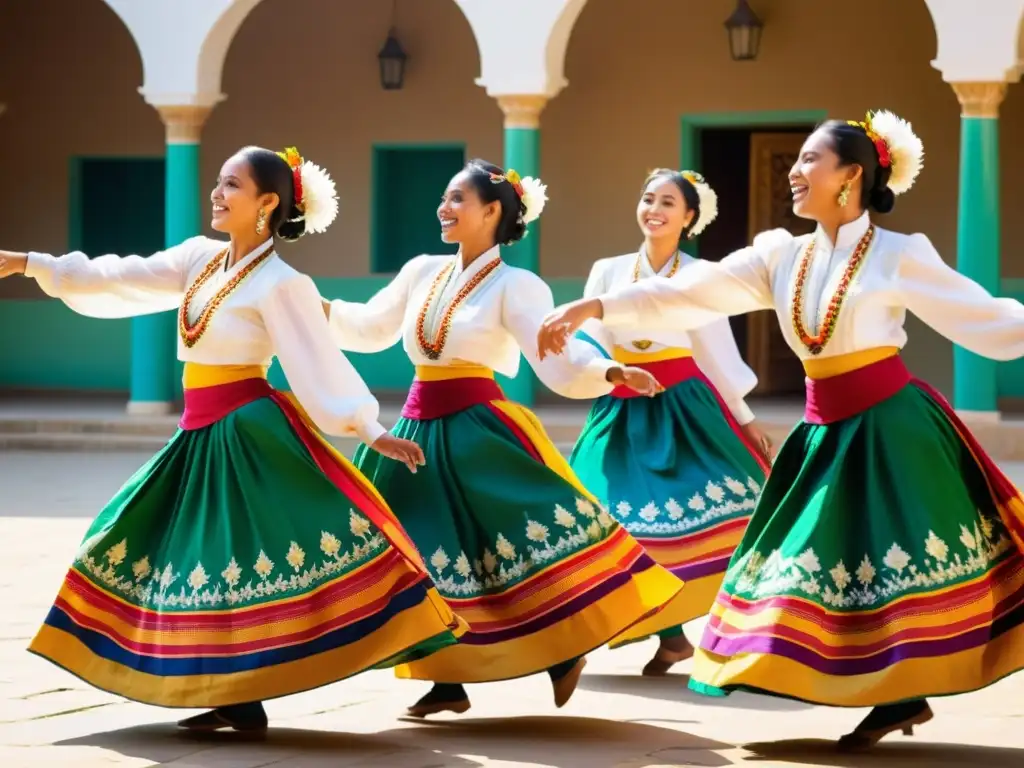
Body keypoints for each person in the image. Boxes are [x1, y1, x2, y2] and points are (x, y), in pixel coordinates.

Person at [535, 111, 1024, 750]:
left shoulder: (900, 255)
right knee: (823, 558)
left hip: (890, 425)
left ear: (851, 177)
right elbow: (694, 292)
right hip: (825, 430)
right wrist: (596, 305)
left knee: (891, 556)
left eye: (809, 161)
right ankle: (883, 692)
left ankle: (900, 693)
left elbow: (986, 319)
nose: (793, 172)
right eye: (794, 161)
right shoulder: (781, 255)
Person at [0, 145, 465, 733]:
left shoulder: (282, 282)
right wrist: (30, 262)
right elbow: (120, 275)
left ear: (268, 203)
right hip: (198, 430)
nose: (217, 195)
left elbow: (314, 361)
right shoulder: (198, 258)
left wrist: (368, 429)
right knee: (139, 539)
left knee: (233, 555)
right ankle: (234, 693)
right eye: (218, 183)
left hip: (247, 432)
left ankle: (244, 690)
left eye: (231, 186)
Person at [321, 159, 691, 718]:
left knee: (507, 546)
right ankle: (447, 676)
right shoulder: (423, 270)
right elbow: (371, 326)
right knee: (422, 548)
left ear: (492, 211)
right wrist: (312, 310)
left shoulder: (517, 285)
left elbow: (558, 350)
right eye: (443, 199)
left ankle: (560, 652)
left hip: (478, 429)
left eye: (456, 200)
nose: (443, 209)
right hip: (417, 429)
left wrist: (609, 372)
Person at [570, 168, 772, 676]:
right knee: (602, 512)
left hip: (684, 405)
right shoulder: (607, 270)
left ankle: (707, 632)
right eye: (647, 198)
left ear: (689, 217)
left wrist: (744, 419)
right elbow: (588, 339)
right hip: (619, 402)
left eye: (667, 202)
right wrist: (603, 373)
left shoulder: (703, 275)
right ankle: (647, 635)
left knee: (689, 514)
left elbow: (714, 352)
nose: (653, 209)